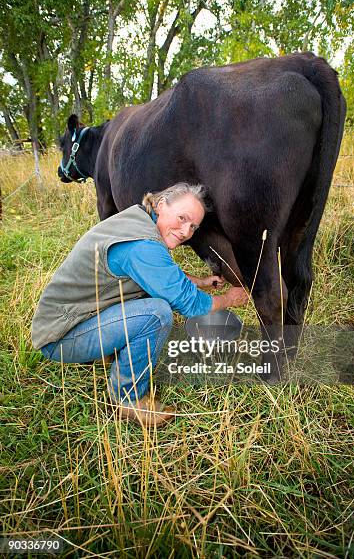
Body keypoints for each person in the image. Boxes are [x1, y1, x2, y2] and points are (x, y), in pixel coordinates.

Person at [32, 183, 248, 427]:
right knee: (157, 313)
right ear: (161, 204)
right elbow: (188, 304)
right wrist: (230, 299)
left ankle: (108, 350)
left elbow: (156, 273)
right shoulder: (142, 246)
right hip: (60, 338)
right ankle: (128, 399)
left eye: (193, 227)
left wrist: (200, 281)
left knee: (152, 298)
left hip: (75, 319)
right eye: (182, 218)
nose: (186, 231)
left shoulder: (138, 219)